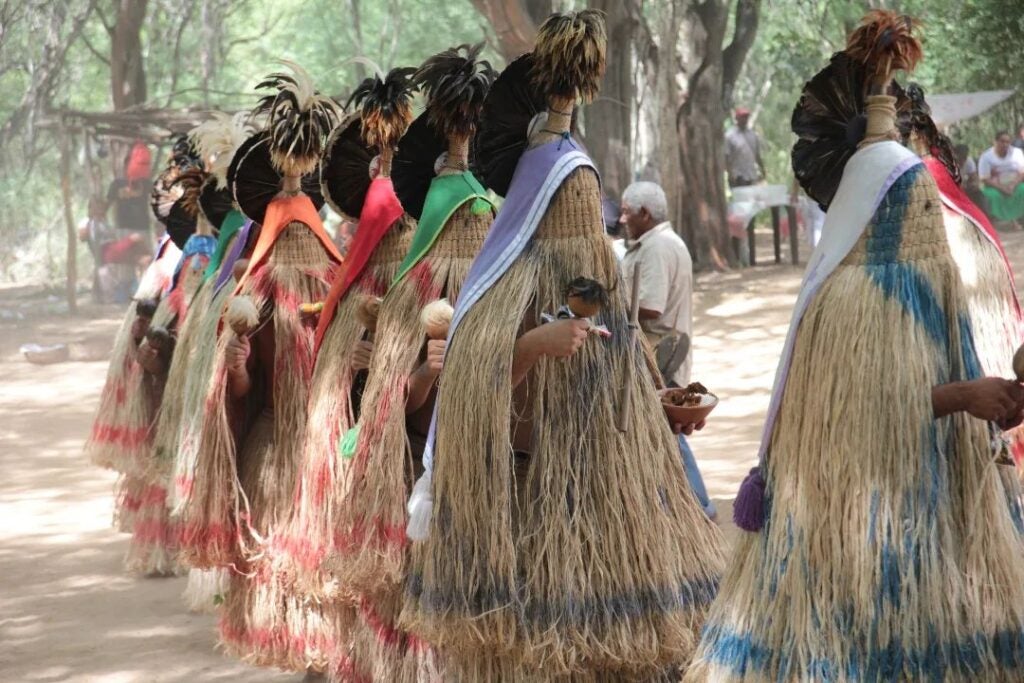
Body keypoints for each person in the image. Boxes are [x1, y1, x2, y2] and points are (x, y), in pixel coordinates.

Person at [685, 12, 1024, 681]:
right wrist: (965, 395)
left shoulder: (930, 281)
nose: (929, 217)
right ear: (880, 206)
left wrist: (995, 401)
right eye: (915, 203)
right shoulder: (850, 300)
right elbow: (861, 412)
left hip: (929, 522)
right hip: (857, 536)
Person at [403, 12, 724, 680]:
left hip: (612, 521)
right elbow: (469, 404)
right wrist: (531, 347)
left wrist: (665, 406)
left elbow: (625, 389)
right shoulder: (496, 302)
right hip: (530, 528)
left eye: (589, 215)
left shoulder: (603, 285)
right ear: (536, 210)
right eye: (570, 212)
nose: (587, 239)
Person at [180, 62, 344, 676]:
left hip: (325, 456)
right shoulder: (253, 298)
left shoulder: (341, 288)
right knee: (293, 589)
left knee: (329, 591)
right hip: (278, 454)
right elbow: (243, 393)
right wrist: (237, 365)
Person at [619, 181, 716, 520]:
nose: (622, 219)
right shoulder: (663, 242)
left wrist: (608, 302)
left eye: (627, 212)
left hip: (659, 353)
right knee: (666, 425)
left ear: (645, 214)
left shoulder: (657, 247)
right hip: (664, 350)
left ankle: (700, 504)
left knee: (668, 425)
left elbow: (651, 306)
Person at [725, 107, 766, 264]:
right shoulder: (730, 136)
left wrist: (763, 170)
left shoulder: (753, 136)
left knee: (750, 215)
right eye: (742, 117)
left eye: (746, 117)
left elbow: (757, 155)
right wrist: (730, 175)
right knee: (738, 216)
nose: (744, 119)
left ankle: (751, 256)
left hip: (751, 178)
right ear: (736, 119)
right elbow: (726, 158)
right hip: (738, 179)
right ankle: (737, 254)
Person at [978, 130, 1024, 225]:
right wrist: (1002, 188)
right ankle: (997, 221)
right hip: (995, 186)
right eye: (1002, 141)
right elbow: (984, 178)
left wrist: (1013, 185)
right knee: (991, 195)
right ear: (995, 142)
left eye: (1007, 142)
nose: (1005, 144)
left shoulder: (1017, 152)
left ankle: (1020, 218)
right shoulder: (986, 157)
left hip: (1014, 184)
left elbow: (1022, 172)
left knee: (1022, 190)